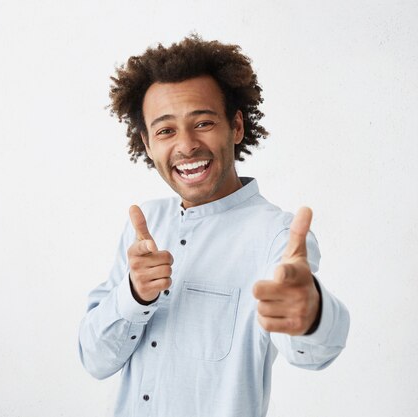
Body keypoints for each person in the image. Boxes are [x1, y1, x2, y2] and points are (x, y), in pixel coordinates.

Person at [78, 35, 350, 417]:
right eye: (166, 131)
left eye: (203, 123)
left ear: (236, 127)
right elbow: (95, 359)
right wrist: (134, 295)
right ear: (147, 143)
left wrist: (311, 313)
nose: (187, 145)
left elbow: (313, 354)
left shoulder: (277, 236)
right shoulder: (144, 227)